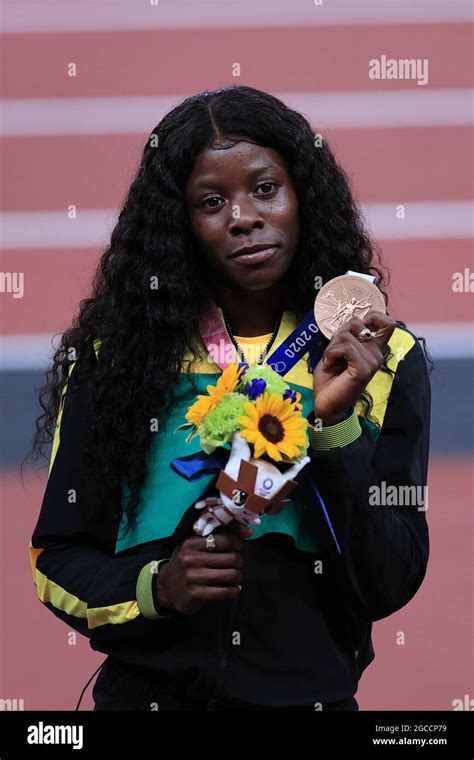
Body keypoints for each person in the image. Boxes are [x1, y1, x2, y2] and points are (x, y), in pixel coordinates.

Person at [28, 85, 431, 711]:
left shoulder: (380, 359)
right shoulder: (121, 362)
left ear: (303, 196)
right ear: (178, 226)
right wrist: (154, 587)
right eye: (212, 201)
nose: (243, 216)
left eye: (265, 188)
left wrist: (331, 430)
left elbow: (389, 579)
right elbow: (56, 559)